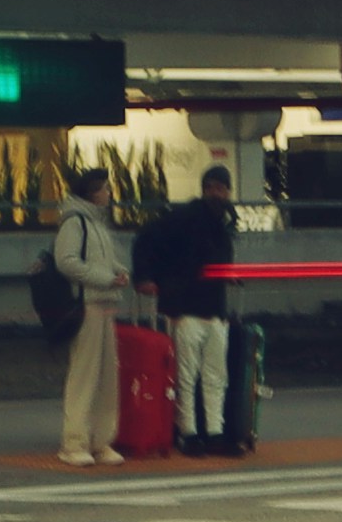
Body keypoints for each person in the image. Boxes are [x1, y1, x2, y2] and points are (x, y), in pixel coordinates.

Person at [137, 164, 242, 455]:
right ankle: (200, 432)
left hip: (195, 307)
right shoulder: (217, 222)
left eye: (220, 188)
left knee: (195, 375)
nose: (216, 193)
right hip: (193, 308)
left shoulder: (189, 219)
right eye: (212, 187)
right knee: (205, 375)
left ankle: (200, 432)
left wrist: (147, 277)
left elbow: (147, 239)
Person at [37, 173, 133, 466]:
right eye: (105, 188)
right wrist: (108, 278)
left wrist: (118, 271)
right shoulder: (75, 222)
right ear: (93, 193)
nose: (108, 193)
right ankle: (74, 442)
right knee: (85, 375)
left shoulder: (93, 223)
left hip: (102, 304)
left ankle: (101, 441)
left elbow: (96, 260)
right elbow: (66, 261)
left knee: (105, 377)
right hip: (88, 304)